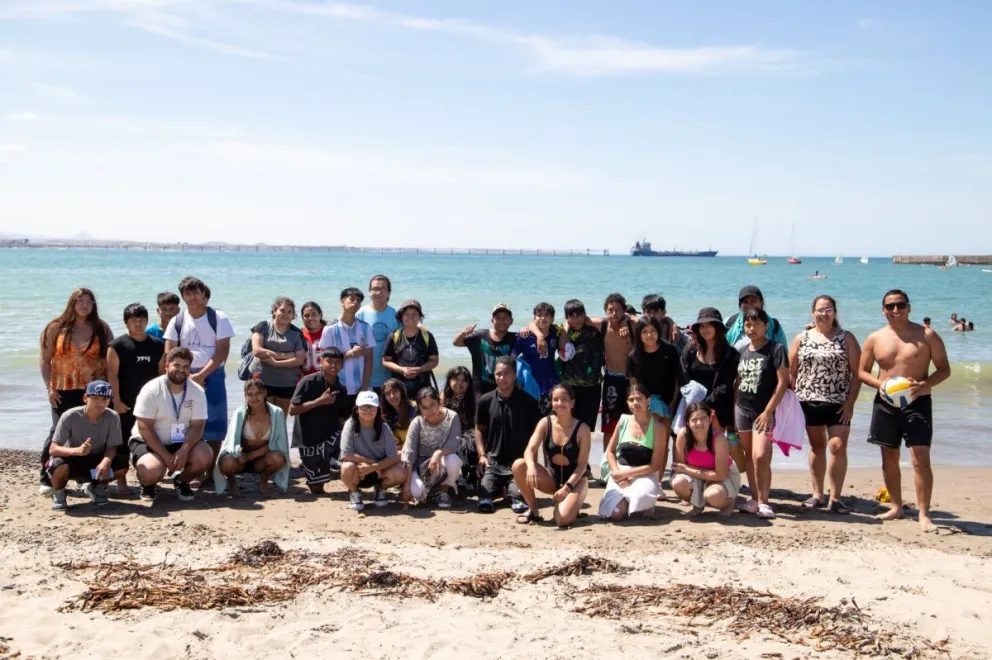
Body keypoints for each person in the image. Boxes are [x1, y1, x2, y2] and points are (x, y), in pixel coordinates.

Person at [859, 290, 950, 533]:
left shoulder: (927, 335)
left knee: (920, 458)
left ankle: (924, 513)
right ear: (883, 310)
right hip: (885, 402)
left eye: (900, 305)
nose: (895, 310)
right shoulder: (875, 338)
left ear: (909, 307)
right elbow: (862, 371)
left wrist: (925, 385)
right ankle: (897, 506)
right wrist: (882, 385)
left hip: (917, 401)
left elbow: (943, 369)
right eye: (890, 306)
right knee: (888, 456)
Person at [789, 295, 862, 514]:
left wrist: (850, 403)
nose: (824, 313)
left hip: (839, 402)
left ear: (835, 313)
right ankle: (817, 494)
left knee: (837, 446)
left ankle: (836, 498)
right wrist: (789, 401)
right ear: (813, 313)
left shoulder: (846, 338)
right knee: (817, 446)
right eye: (820, 310)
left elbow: (857, 374)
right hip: (808, 401)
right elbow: (790, 372)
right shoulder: (801, 338)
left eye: (828, 309)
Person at [39, 288, 114, 494]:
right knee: (57, 431)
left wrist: (112, 389)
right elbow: (45, 361)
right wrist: (49, 388)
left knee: (91, 431)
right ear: (71, 303)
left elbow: (110, 361)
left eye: (89, 302)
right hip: (63, 388)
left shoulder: (101, 328)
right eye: (80, 301)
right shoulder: (56, 328)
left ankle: (84, 477)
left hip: (94, 390)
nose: (84, 305)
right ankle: (46, 476)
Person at [163, 276, 235, 478]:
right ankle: (189, 468)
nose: (192, 296)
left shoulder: (218, 317)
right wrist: (186, 377)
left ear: (204, 293)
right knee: (184, 423)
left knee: (214, 424)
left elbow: (222, 352)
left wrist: (202, 375)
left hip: (212, 375)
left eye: (196, 292)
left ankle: (211, 471)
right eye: (188, 293)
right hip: (183, 376)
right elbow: (170, 353)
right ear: (183, 297)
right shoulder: (177, 320)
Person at [129, 347, 215, 502]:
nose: (181, 370)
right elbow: (144, 427)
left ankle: (181, 481)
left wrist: (184, 449)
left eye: (185, 366)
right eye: (176, 365)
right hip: (150, 441)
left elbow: (198, 426)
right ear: (166, 366)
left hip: (180, 440)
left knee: (205, 456)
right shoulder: (151, 389)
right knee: (151, 470)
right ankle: (148, 485)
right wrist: (166, 456)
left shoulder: (197, 391)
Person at [735, 308, 790, 519]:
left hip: (764, 410)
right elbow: (737, 383)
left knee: (760, 456)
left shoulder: (775, 349)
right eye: (748, 325)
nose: (752, 329)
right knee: (749, 456)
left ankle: (764, 502)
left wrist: (769, 411)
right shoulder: (741, 351)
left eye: (757, 324)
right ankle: (755, 499)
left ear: (766, 326)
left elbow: (783, 382)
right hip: (742, 408)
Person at [511, 384, 591, 527]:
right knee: (519, 465)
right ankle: (534, 512)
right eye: (556, 399)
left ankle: (572, 505)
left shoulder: (583, 429)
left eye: (564, 399)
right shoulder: (545, 423)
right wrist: (531, 467)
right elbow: (529, 449)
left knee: (562, 520)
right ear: (552, 403)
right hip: (552, 478)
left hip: (575, 481)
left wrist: (567, 488)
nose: (560, 403)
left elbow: (582, 465)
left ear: (572, 403)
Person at [107, 303, 165, 495]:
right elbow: (112, 375)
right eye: (133, 320)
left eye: (141, 319)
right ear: (126, 323)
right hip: (125, 402)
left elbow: (161, 375)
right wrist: (116, 401)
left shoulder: (158, 345)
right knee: (120, 442)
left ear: (147, 321)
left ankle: (147, 480)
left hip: (149, 406)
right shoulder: (117, 345)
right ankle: (121, 480)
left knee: (149, 440)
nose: (138, 323)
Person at [45, 380, 128, 510]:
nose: (100, 402)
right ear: (85, 398)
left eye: (105, 399)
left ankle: (95, 487)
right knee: (59, 464)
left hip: (95, 463)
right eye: (95, 398)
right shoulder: (70, 416)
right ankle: (59, 493)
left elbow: (112, 446)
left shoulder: (113, 417)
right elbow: (53, 449)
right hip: (72, 461)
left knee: (121, 466)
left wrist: (106, 460)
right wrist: (77, 451)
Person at [474, 356, 540, 513]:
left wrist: (531, 463)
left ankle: (510, 493)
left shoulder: (528, 401)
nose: (502, 378)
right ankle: (499, 490)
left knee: (517, 497)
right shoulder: (485, 400)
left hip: (518, 464)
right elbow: (478, 429)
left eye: (506, 374)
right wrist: (482, 455)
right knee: (484, 496)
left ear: (515, 375)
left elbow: (537, 434)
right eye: (498, 374)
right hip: (493, 462)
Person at [681, 307, 742, 471]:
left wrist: (705, 407)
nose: (705, 329)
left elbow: (725, 386)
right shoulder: (691, 350)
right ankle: (692, 476)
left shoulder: (731, 354)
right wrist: (695, 407)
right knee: (692, 443)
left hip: (719, 409)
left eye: (710, 325)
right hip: (692, 407)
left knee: (716, 446)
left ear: (718, 328)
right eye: (702, 326)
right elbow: (684, 376)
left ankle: (721, 477)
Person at [598, 385, 665, 520]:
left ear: (648, 401)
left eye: (639, 399)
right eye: (631, 400)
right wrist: (618, 473)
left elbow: (655, 466)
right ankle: (628, 503)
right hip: (620, 471)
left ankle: (641, 502)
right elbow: (610, 451)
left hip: (645, 474)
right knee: (616, 514)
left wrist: (626, 474)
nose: (635, 403)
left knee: (637, 507)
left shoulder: (658, 428)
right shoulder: (623, 421)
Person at [289, 348, 349, 494]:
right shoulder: (308, 381)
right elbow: (292, 410)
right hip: (309, 440)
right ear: (321, 362)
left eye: (338, 362)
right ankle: (318, 469)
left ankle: (337, 463)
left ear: (342, 365)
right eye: (329, 361)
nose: (333, 365)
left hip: (330, 437)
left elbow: (342, 417)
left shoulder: (341, 388)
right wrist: (318, 402)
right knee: (316, 488)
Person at [215, 379, 289, 496]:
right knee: (226, 462)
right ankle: (232, 481)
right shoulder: (240, 413)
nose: (254, 398)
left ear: (264, 393)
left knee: (278, 458)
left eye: (258, 394)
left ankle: (264, 478)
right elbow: (231, 442)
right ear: (245, 396)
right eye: (250, 394)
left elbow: (276, 444)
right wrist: (239, 453)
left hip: (261, 460)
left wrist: (250, 456)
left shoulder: (276, 413)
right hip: (240, 460)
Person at [339, 391, 407, 511]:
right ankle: (355, 493)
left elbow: (392, 456)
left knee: (400, 472)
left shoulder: (384, 427)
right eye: (364, 407)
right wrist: (369, 462)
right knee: (346, 467)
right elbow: (346, 454)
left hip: (380, 471)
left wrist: (374, 467)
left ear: (378, 409)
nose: (368, 410)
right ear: (357, 409)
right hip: (359, 471)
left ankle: (381, 489)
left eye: (372, 407)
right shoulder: (350, 425)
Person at [671, 403, 739, 517]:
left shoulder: (719, 438)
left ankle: (728, 502)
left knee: (713, 496)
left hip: (724, 476)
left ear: (710, 420)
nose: (699, 423)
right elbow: (680, 468)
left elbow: (721, 475)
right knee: (678, 482)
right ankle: (697, 505)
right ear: (687, 422)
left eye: (703, 418)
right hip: (698, 475)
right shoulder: (683, 435)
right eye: (694, 420)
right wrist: (690, 471)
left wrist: (688, 469)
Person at [401, 387, 463, 509]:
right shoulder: (417, 422)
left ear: (439, 402)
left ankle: (444, 491)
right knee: (416, 492)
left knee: (454, 460)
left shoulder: (452, 416)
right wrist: (406, 487)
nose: (429, 410)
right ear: (419, 407)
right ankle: (430, 492)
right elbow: (409, 453)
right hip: (421, 465)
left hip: (444, 459)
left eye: (432, 405)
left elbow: (454, 444)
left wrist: (437, 454)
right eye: (424, 407)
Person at [318, 287, 376, 411]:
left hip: (361, 387)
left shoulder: (366, 328)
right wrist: (351, 353)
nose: (355, 303)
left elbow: (369, 360)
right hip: (337, 386)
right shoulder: (330, 329)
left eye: (359, 300)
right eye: (352, 299)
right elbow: (325, 361)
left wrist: (364, 387)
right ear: (342, 301)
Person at [251, 296, 306, 414]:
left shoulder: (296, 333)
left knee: (280, 419)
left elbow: (300, 360)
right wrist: (287, 355)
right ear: (274, 310)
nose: (286, 314)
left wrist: (275, 363)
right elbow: (257, 350)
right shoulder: (263, 326)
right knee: (262, 417)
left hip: (287, 382)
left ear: (293, 315)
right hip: (263, 380)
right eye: (282, 310)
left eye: (290, 312)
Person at [557, 299, 604, 433]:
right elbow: (559, 346)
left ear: (585, 315)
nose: (576, 319)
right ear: (567, 318)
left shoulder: (595, 330)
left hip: (592, 386)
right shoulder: (562, 330)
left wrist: (588, 320)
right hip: (569, 387)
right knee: (568, 427)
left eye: (579, 315)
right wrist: (565, 329)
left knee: (587, 428)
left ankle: (584, 454)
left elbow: (609, 321)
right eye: (572, 316)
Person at [453, 303, 517, 396]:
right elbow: (456, 343)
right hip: (480, 388)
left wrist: (528, 330)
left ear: (511, 321)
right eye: (497, 318)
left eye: (505, 318)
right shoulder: (480, 335)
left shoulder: (515, 338)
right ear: (492, 320)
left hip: (505, 387)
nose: (501, 321)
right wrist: (463, 333)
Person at [382, 299, 439, 398]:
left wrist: (420, 369)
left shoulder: (427, 336)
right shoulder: (394, 336)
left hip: (423, 389)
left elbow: (434, 361)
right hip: (399, 390)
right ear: (401, 316)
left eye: (414, 314)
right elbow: (385, 361)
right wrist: (401, 369)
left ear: (419, 317)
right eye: (407, 314)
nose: (410, 317)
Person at [597, 293, 635, 439]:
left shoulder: (631, 325)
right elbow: (578, 320)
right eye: (610, 310)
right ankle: (607, 459)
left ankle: (629, 458)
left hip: (630, 380)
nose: (614, 313)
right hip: (611, 378)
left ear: (624, 311)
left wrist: (626, 320)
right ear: (605, 311)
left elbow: (649, 321)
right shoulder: (603, 325)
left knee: (633, 421)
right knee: (609, 426)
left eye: (619, 310)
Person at [512, 302, 560, 415]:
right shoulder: (524, 336)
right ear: (534, 318)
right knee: (530, 423)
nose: (542, 318)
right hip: (529, 386)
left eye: (547, 315)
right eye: (539, 315)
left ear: (552, 319)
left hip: (550, 386)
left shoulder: (556, 335)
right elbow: (511, 359)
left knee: (550, 423)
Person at [356, 274, 399, 395]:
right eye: (374, 289)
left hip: (389, 377)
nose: (378, 292)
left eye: (382, 289)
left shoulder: (395, 315)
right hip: (364, 378)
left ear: (389, 293)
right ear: (369, 292)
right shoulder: (360, 314)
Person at [441, 366, 478, 487]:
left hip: (468, 432)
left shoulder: (474, 397)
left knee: (469, 442)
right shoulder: (443, 396)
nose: (459, 383)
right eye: (456, 379)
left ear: (469, 383)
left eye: (464, 380)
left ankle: (471, 475)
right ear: (450, 380)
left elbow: (478, 422)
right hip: (448, 432)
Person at [726, 285, 788, 350]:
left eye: (754, 300)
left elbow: (784, 353)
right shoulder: (729, 323)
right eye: (745, 301)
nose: (750, 304)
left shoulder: (774, 326)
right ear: (740, 305)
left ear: (761, 303)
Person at [380, 378, 415, 447]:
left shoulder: (415, 408)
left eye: (395, 391)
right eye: (387, 393)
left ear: (402, 392)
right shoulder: (385, 415)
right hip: (400, 449)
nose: (392, 396)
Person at [300, 301, 327, 377]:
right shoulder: (299, 334)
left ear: (320, 315)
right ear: (302, 318)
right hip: (305, 380)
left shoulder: (328, 332)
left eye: (314, 314)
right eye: (306, 315)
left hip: (325, 380)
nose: (310, 318)